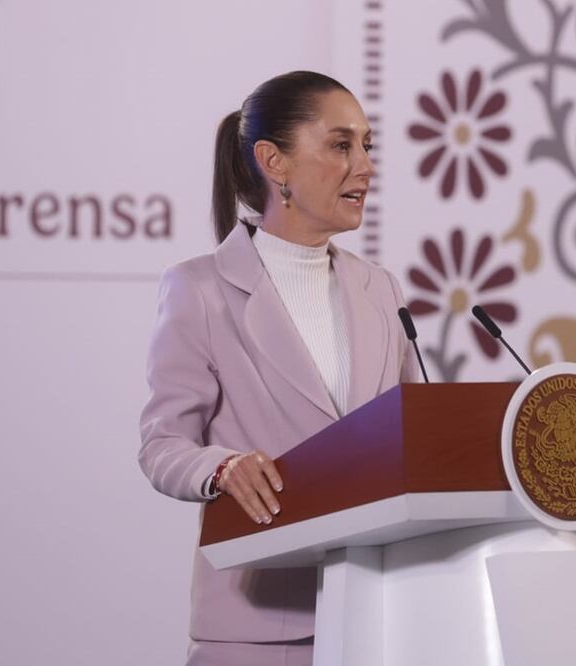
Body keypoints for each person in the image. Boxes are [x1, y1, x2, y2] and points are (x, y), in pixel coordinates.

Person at [139, 71, 419, 666]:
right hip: (257, 629)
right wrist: (223, 467)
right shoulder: (200, 289)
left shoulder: (381, 289)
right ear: (275, 162)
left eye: (367, 145)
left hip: (379, 616)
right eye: (341, 145)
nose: (364, 166)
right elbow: (162, 445)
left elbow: (414, 439)